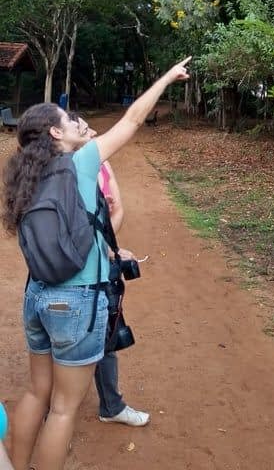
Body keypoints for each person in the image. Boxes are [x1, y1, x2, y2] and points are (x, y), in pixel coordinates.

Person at [1, 57, 190, 470]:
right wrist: (167, 77)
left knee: (38, 393)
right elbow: (133, 120)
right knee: (65, 409)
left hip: (37, 295)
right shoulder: (81, 163)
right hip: (76, 301)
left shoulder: (24, 176)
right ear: (56, 132)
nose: (77, 123)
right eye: (70, 119)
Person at [70, 114, 150, 427]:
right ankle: (54, 409)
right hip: (74, 270)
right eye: (83, 128)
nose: (92, 132)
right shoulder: (62, 170)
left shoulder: (101, 164)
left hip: (101, 265)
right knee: (66, 334)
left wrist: (109, 249)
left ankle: (111, 405)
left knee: (107, 332)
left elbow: (117, 210)